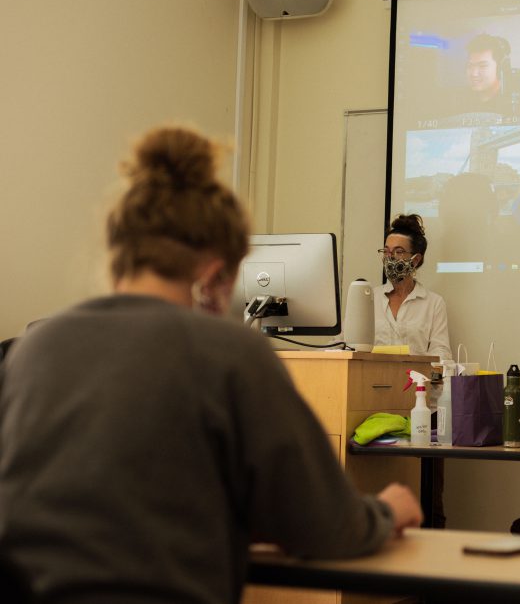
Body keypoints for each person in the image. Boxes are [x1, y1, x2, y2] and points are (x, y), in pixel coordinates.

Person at [0, 127, 422, 604]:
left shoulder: (36, 346)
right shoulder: (231, 355)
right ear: (215, 274)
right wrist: (384, 512)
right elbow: (322, 527)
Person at [373, 213, 452, 361]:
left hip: (415, 381)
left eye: (399, 251)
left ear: (416, 260)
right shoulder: (369, 299)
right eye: (386, 251)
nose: (390, 257)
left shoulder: (434, 303)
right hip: (370, 380)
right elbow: (343, 345)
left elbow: (441, 353)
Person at [457, 33, 520, 119]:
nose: (474, 74)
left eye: (483, 66)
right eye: (470, 66)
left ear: (501, 68)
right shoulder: (457, 101)